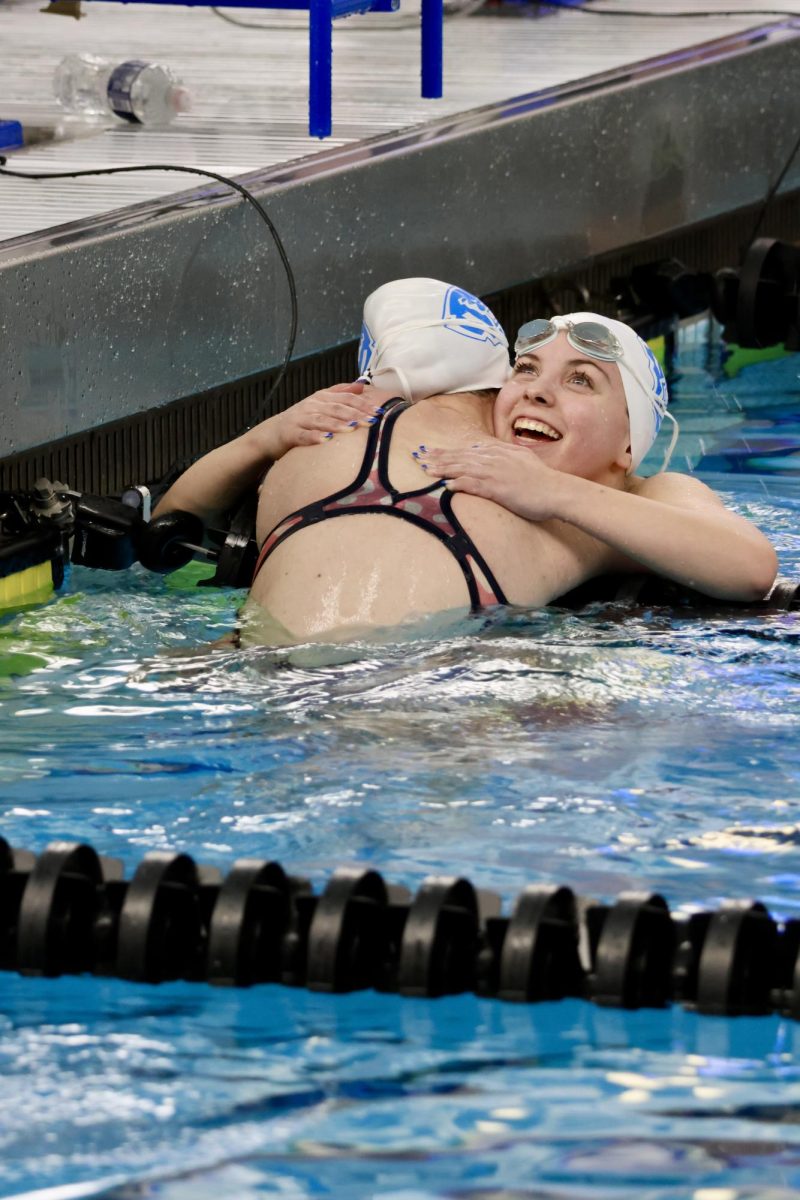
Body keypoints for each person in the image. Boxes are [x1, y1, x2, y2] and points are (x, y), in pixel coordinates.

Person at [154, 279, 778, 646]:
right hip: (232, 665)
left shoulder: (636, 497)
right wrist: (263, 439)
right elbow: (171, 529)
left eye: (581, 381)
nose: (536, 389)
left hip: (422, 699)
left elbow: (751, 571)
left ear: (627, 446)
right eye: (527, 369)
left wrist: (555, 495)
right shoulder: (373, 423)